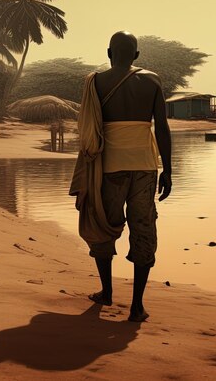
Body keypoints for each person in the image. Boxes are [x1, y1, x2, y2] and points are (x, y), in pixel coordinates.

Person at [69, 31, 172, 322]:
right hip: (145, 166)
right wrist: (169, 169)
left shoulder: (96, 83)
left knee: (103, 225)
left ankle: (107, 292)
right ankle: (137, 306)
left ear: (109, 53)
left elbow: (88, 127)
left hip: (108, 167)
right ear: (137, 56)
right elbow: (162, 128)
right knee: (143, 228)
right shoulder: (152, 81)